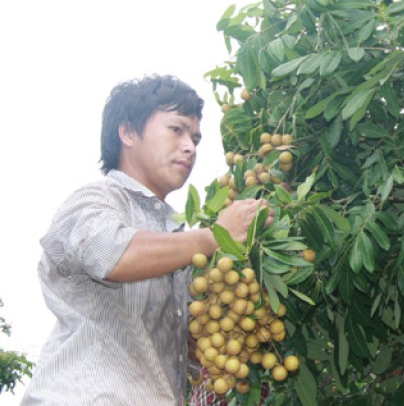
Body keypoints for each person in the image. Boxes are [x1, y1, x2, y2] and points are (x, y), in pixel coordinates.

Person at [21, 75, 267, 405]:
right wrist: (216, 236)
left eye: (195, 138)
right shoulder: (97, 198)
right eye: (176, 130)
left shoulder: (175, 238)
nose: (190, 147)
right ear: (127, 133)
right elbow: (113, 255)